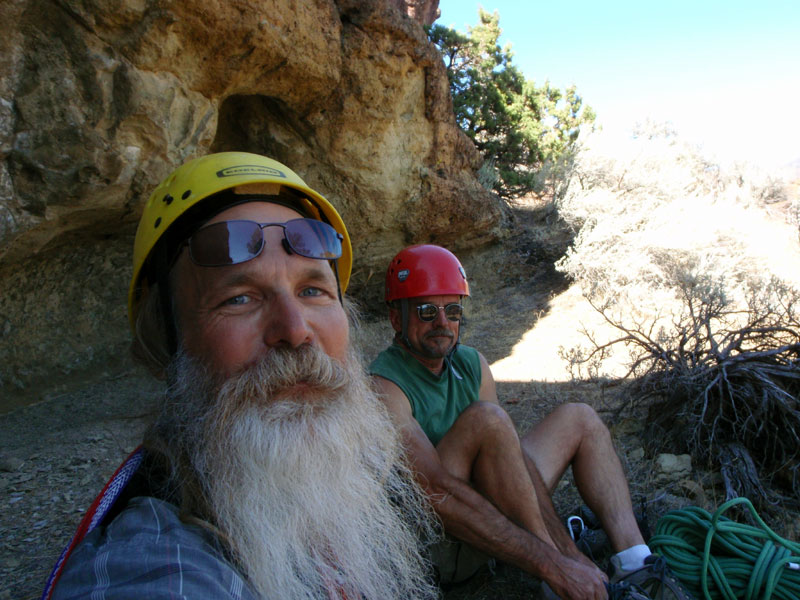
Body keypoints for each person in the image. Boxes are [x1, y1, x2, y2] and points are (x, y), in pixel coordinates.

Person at [43, 153, 439, 600]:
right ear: (167, 344)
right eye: (238, 299)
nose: (294, 330)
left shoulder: (342, 481)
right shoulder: (154, 566)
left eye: (313, 291)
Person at [370, 244, 689, 600]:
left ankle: (636, 561)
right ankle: (558, 571)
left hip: (492, 516)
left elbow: (505, 459)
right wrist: (559, 560)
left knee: (579, 418)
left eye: (453, 310)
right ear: (397, 318)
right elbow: (433, 492)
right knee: (486, 419)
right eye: (427, 311)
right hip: (441, 541)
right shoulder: (385, 387)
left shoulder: (472, 365)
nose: (442, 323)